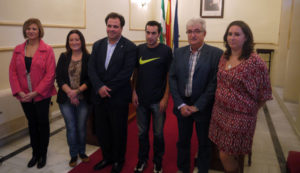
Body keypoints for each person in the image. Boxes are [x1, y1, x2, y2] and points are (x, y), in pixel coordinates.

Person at [208, 20, 272, 173]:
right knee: (223, 150)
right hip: (220, 113)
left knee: (225, 154)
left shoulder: (255, 62)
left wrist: (250, 111)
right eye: (230, 34)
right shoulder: (224, 56)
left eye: (237, 34)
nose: (232, 37)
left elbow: (264, 93)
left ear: (246, 38)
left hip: (240, 117)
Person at [169, 17, 223, 173]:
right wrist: (180, 104)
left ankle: (203, 170)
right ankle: (183, 169)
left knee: (204, 144)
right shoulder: (178, 53)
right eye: (190, 31)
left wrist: (197, 106)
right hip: (183, 107)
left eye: (197, 31)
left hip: (203, 108)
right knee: (183, 141)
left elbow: (214, 83)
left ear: (204, 33)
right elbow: (172, 78)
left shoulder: (216, 54)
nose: (193, 35)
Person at [88, 12, 137, 173]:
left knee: (118, 131)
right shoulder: (97, 45)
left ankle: (118, 160)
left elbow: (126, 72)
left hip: (118, 97)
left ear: (121, 28)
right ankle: (107, 157)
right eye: (109, 26)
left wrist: (107, 88)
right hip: (99, 97)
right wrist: (98, 87)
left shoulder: (130, 47)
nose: (112, 29)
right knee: (102, 131)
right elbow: (91, 69)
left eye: (115, 26)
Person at [9, 18, 56, 169]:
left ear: (39, 30)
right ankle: (35, 153)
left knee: (43, 123)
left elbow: (50, 74)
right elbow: (13, 72)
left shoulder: (47, 50)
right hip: (24, 95)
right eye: (28, 28)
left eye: (34, 28)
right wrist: (19, 91)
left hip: (41, 94)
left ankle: (43, 153)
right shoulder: (17, 49)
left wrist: (36, 92)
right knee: (32, 124)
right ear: (25, 31)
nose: (31, 31)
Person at [132, 21, 172, 173]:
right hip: (141, 100)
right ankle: (142, 160)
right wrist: (134, 91)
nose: (150, 36)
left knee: (158, 134)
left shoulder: (166, 51)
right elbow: (136, 72)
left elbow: (169, 76)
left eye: (153, 33)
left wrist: (166, 97)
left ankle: (158, 162)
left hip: (158, 101)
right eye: (148, 32)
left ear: (159, 34)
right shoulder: (139, 49)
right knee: (142, 133)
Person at [56, 30, 90, 167]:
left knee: (81, 127)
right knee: (71, 127)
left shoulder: (89, 57)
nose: (74, 42)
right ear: (68, 42)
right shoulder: (63, 57)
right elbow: (59, 77)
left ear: (81, 41)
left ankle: (82, 152)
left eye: (77, 39)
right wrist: (70, 93)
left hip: (83, 98)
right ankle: (73, 154)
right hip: (65, 98)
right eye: (71, 40)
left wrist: (77, 92)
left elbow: (90, 79)